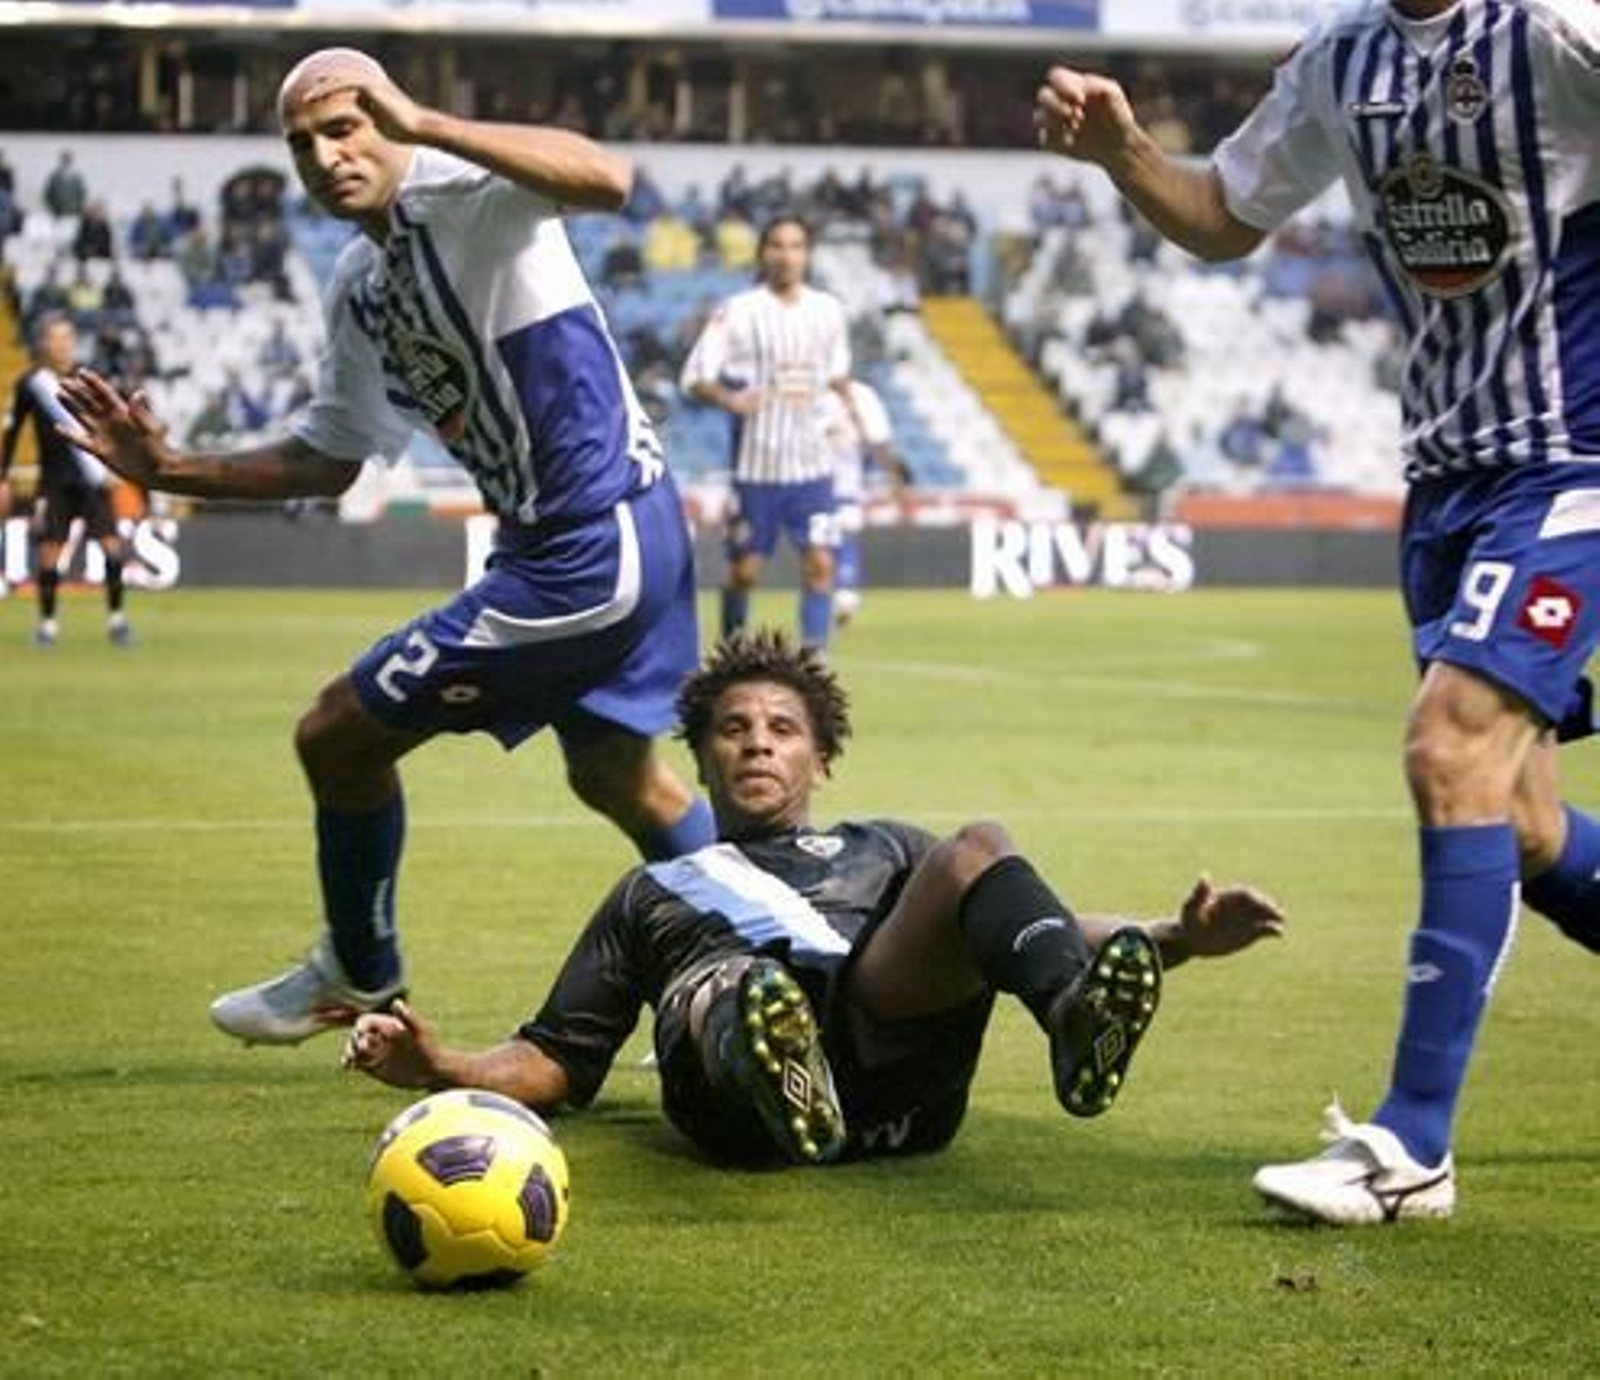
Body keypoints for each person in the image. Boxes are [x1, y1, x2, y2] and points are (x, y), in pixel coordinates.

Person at [1035, 1, 1600, 1225]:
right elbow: (1223, 218)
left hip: (1574, 459)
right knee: (1527, 828)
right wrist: (1124, 154)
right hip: (1446, 478)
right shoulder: (1341, 63)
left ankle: (1411, 1150)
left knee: (1448, 748)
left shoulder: (1557, 37)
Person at [56, 47, 715, 1048]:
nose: (325, 156)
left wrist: (424, 123)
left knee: (336, 734)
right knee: (620, 779)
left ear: (386, 121)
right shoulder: (361, 284)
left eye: (344, 128)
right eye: (303, 143)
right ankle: (776, 953)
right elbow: (331, 457)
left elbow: (607, 178)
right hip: (610, 532)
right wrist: (171, 468)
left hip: (592, 544)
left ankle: (361, 970)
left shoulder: (474, 195)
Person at [345, 630, 1285, 1165]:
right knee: (734, 982)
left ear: (819, 757)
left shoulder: (885, 848)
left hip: (894, 1060)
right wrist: (444, 1065)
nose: (757, 742)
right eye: (734, 729)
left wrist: (1177, 937)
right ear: (702, 755)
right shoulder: (652, 891)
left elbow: (1053, 925)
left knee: (977, 851)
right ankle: (772, 1052)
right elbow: (559, 1059)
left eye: (783, 729)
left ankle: (1072, 1020)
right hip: (738, 1099)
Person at [680, 214, 854, 651]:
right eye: (777, 245)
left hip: (813, 469)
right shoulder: (739, 311)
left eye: (796, 246)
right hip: (756, 470)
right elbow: (695, 375)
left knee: (820, 565)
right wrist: (729, 399)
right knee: (745, 572)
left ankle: (815, 665)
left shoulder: (828, 311)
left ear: (807, 254)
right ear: (763, 253)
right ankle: (731, 655)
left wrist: (844, 413)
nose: (787, 255)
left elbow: (836, 376)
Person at [0, 313, 132, 646]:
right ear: (44, 344)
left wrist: (114, 467)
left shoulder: (87, 379)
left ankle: (117, 621)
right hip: (54, 484)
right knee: (48, 558)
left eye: (69, 338)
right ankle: (47, 625)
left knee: (114, 553)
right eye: (57, 338)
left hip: (92, 481)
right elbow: (12, 431)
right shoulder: (31, 383)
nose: (64, 345)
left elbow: (109, 426)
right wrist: (2, 476)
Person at [818, 376, 908, 629]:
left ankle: (842, 597)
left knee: (839, 540)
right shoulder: (812, 391)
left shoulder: (863, 396)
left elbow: (878, 441)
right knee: (830, 546)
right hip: (814, 486)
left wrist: (896, 486)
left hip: (844, 488)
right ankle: (842, 596)